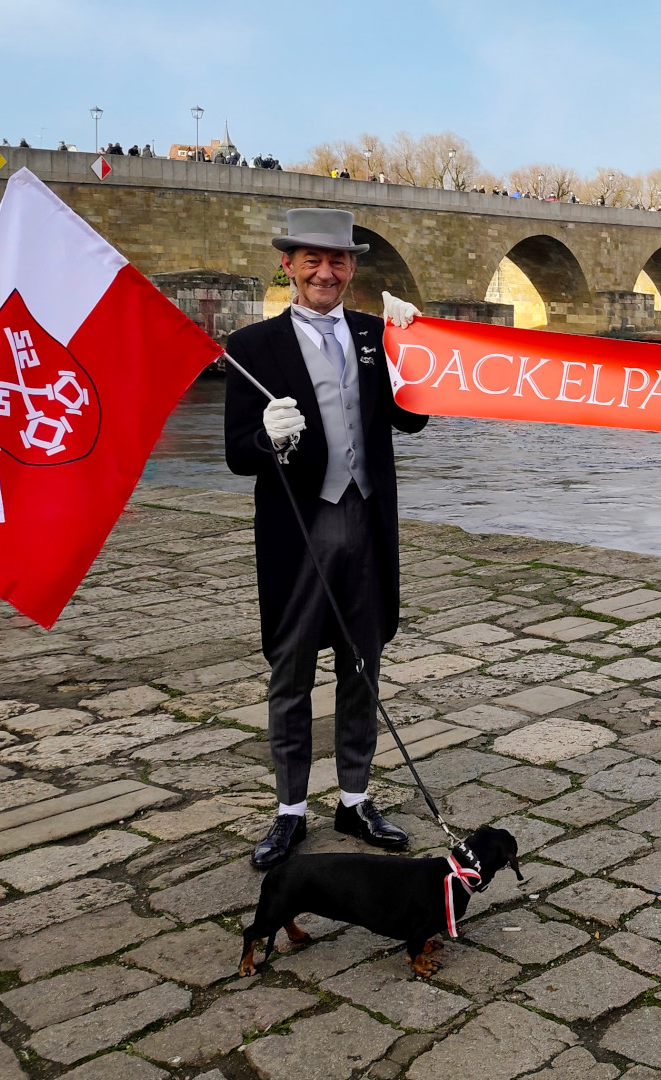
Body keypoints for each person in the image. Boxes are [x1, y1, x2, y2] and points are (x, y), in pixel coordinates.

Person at [224, 208, 429, 869]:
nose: (324, 271)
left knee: (362, 672)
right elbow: (237, 453)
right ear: (288, 264)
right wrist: (269, 438)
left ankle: (355, 798)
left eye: (337, 260)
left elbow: (413, 419)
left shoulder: (376, 334)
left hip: (365, 526)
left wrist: (413, 349)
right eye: (311, 259)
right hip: (300, 532)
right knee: (290, 675)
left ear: (353, 268)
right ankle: (288, 812)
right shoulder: (251, 347)